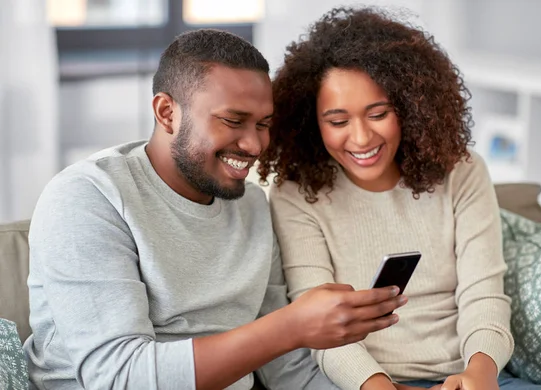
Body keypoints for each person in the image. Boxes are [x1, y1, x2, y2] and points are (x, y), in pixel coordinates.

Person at [23, 29, 407, 390]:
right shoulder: (88, 197)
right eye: (233, 121)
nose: (255, 145)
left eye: (263, 124)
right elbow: (119, 376)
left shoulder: (253, 206)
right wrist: (290, 327)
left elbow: (286, 367)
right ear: (167, 113)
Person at [259, 6, 541, 390]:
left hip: (473, 377)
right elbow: (321, 330)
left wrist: (479, 374)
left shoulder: (462, 171)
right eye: (337, 121)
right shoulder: (297, 194)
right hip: (368, 383)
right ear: (311, 120)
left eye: (378, 114)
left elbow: (484, 295)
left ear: (408, 106)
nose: (360, 138)